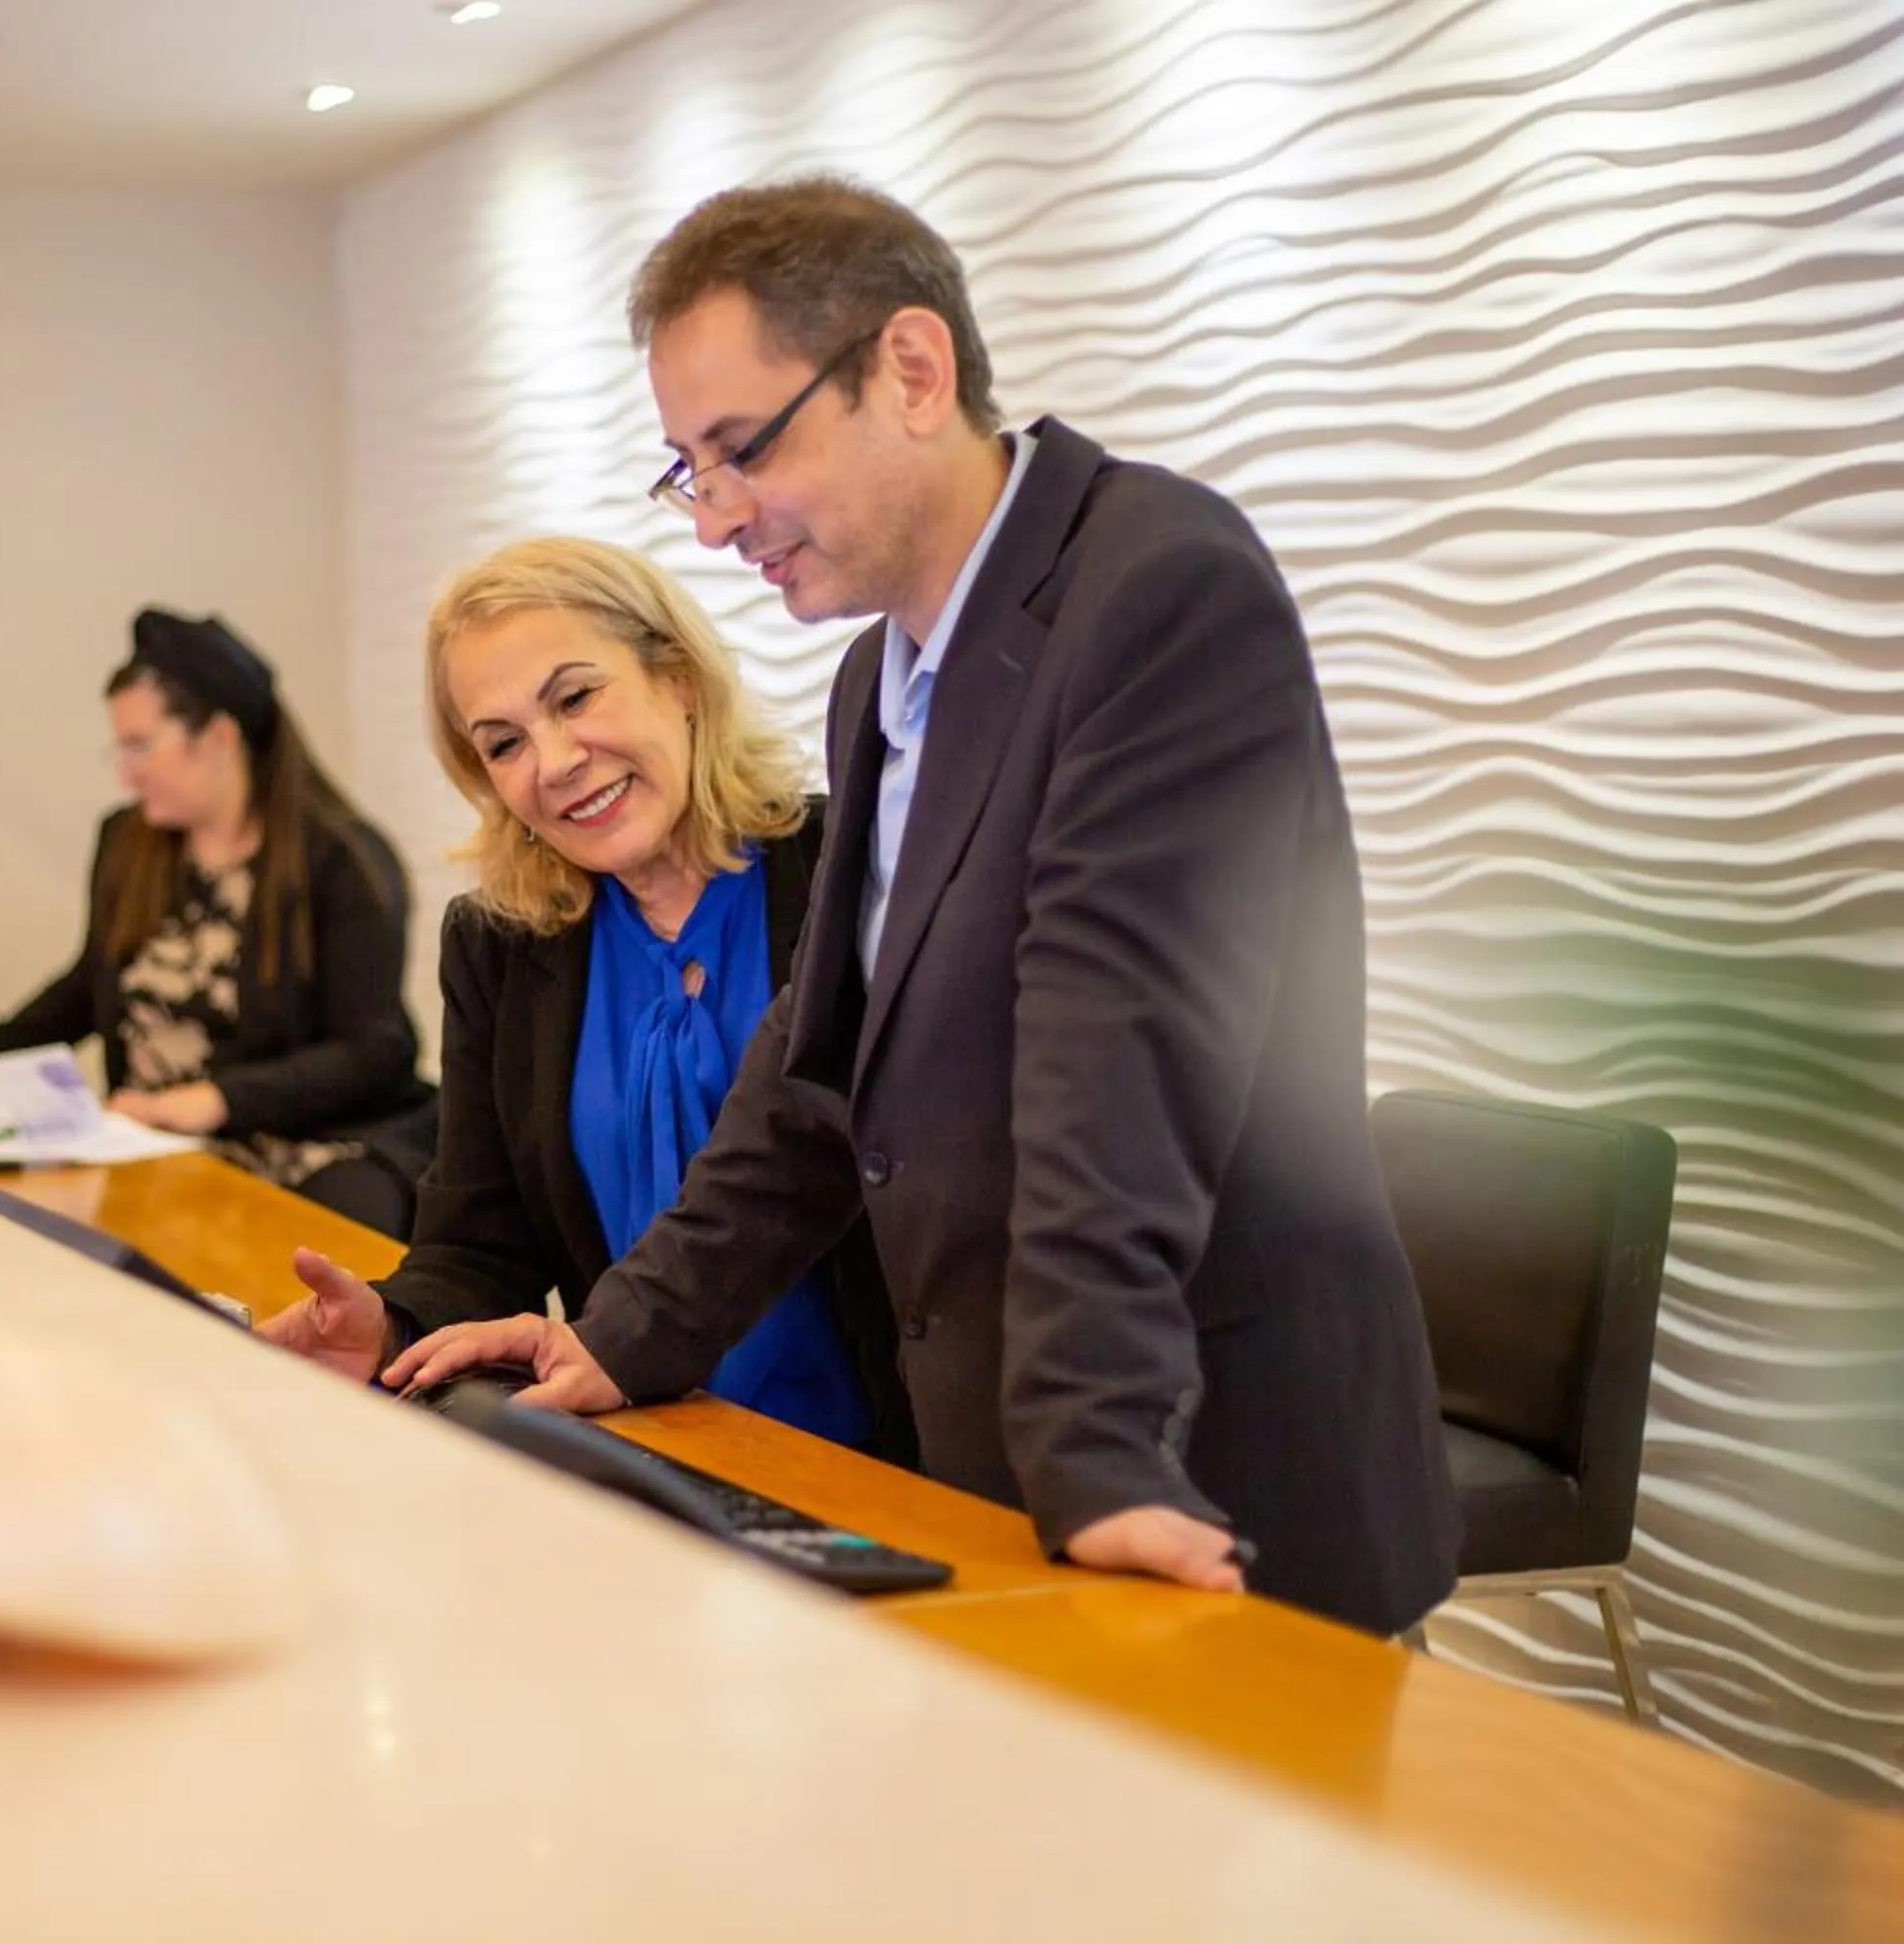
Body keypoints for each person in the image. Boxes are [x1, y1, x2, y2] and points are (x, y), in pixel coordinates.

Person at [389, 177, 1460, 1636]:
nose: (715, 526)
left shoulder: (1155, 588)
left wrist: (1091, 1446)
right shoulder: (877, 679)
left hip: (1194, 1460)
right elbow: (818, 1068)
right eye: (686, 471)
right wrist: (626, 1340)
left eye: (741, 453)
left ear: (910, 369)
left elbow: (1119, 1058)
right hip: (1011, 1470)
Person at [258, 538, 914, 1460]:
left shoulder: (851, 867)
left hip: (894, 1464)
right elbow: (483, 1246)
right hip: (657, 1455)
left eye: (575, 698)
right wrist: (394, 1325)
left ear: (678, 677)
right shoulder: (499, 946)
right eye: (503, 744)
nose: (555, 761)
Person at [0, 608, 432, 1234]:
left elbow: (378, 1050)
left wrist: (211, 1102)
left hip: (313, 1147)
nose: (125, 772)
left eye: (140, 745)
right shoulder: (129, 843)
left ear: (218, 736)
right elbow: (87, 986)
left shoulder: (341, 860)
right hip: (151, 1147)